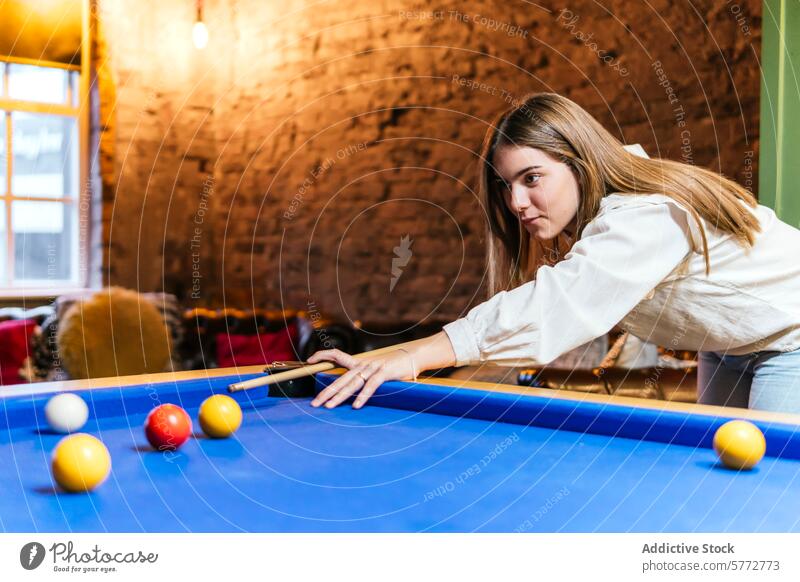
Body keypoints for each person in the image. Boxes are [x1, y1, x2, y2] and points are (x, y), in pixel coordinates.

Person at [308, 92, 800, 413]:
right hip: (730, 349)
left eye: (531, 178)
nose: (516, 202)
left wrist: (411, 355)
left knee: (771, 495)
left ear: (580, 166)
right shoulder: (596, 219)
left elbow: (556, 305)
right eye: (507, 185)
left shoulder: (648, 214)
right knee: (720, 480)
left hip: (792, 342)